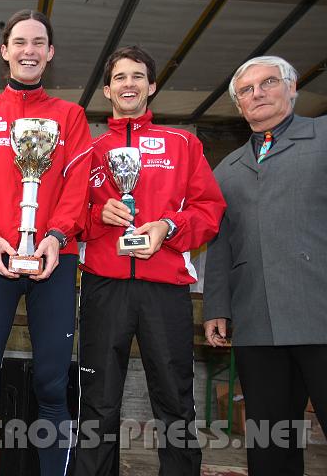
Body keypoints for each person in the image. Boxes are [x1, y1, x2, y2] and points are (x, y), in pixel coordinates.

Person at [75, 46, 225, 476]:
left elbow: (208, 211)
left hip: (166, 285)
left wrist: (168, 228)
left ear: (152, 86)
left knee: (175, 399)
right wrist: (95, 215)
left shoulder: (183, 144)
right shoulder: (89, 150)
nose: (129, 84)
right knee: (98, 400)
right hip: (105, 285)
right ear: (107, 90)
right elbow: (67, 219)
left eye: (137, 76)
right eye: (120, 77)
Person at [0, 10, 93, 476]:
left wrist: (56, 234)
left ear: (50, 53)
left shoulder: (71, 117)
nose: (28, 50)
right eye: (20, 42)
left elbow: (77, 187)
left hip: (55, 259)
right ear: (5, 51)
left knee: (53, 385)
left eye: (38, 43)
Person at [203, 55, 327, 476]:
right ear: (239, 105)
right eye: (246, 90)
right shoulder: (227, 169)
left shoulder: (324, 136)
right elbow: (219, 243)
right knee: (270, 438)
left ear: (292, 87)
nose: (257, 94)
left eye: (268, 82)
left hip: (320, 310)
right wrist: (217, 306)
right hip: (258, 323)